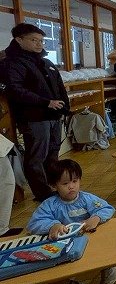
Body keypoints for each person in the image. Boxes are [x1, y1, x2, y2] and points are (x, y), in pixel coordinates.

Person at [26, 159, 116, 284]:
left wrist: (96, 217)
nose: (71, 186)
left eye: (75, 181)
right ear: (54, 185)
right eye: (65, 183)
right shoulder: (50, 204)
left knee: (104, 243)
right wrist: (53, 225)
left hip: (91, 242)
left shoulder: (86, 199)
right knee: (43, 268)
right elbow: (33, 224)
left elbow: (107, 208)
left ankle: (108, 267)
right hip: (64, 246)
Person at [0, 23, 69, 202]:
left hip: (54, 115)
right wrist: (46, 102)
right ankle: (42, 193)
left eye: (41, 41)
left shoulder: (45, 62)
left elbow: (59, 86)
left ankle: (54, 186)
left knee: (53, 153)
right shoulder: (12, 63)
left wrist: (65, 108)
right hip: (34, 117)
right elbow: (15, 90)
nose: (39, 44)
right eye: (34, 40)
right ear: (19, 40)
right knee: (37, 156)